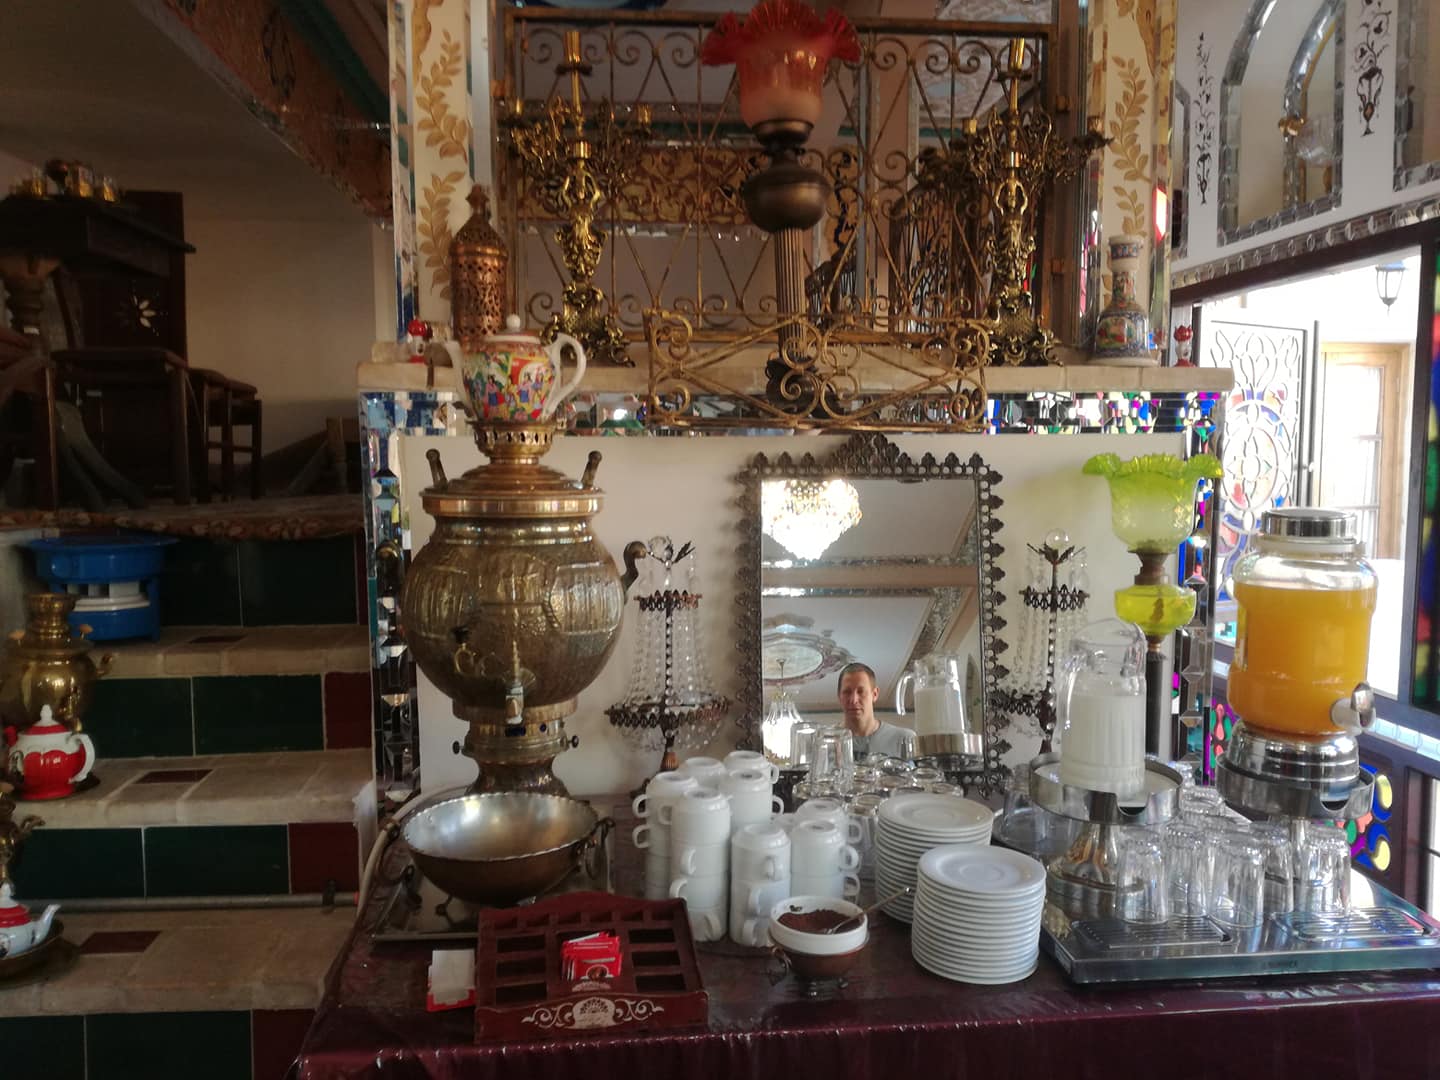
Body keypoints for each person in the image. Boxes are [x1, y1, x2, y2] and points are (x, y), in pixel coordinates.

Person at [836, 662, 912, 761]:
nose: (854, 700)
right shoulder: (824, 742)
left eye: (861, 691)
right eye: (847, 692)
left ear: (875, 694)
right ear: (839, 696)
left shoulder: (904, 740)